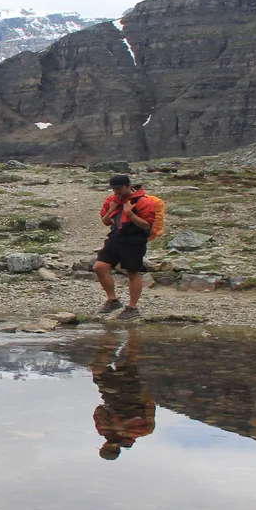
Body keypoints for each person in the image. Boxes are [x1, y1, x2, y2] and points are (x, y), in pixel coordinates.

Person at [94, 174, 160, 321]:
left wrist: (129, 213)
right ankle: (113, 300)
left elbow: (146, 225)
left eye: (119, 189)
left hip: (134, 241)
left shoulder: (144, 202)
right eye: (114, 189)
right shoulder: (111, 200)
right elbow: (106, 222)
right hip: (116, 238)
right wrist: (111, 210)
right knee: (99, 267)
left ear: (128, 186)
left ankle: (132, 307)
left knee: (132, 272)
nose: (116, 192)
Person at [91, 330, 156, 460]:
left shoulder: (104, 430)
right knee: (129, 362)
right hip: (127, 395)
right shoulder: (141, 431)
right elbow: (150, 409)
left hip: (113, 395)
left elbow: (99, 410)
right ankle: (131, 332)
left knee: (102, 367)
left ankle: (112, 336)